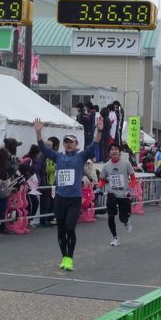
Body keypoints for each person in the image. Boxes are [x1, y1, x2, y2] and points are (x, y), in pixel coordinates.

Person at [34, 115, 103, 271]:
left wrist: (99, 129)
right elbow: (43, 149)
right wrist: (39, 133)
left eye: (71, 142)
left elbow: (95, 144)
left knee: (70, 228)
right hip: (60, 198)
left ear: (76, 144)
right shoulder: (58, 156)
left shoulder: (81, 156)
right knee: (61, 229)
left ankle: (70, 257)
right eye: (66, 142)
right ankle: (64, 256)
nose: (68, 144)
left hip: (74, 199)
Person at [94, 143, 135, 246]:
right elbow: (102, 179)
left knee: (122, 218)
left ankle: (126, 221)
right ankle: (115, 238)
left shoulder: (126, 163)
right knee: (111, 216)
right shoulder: (107, 165)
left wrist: (130, 188)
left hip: (124, 194)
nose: (114, 151)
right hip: (112, 193)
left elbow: (133, 178)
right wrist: (99, 187)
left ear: (119, 152)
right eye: (112, 149)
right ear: (109, 153)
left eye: (116, 149)